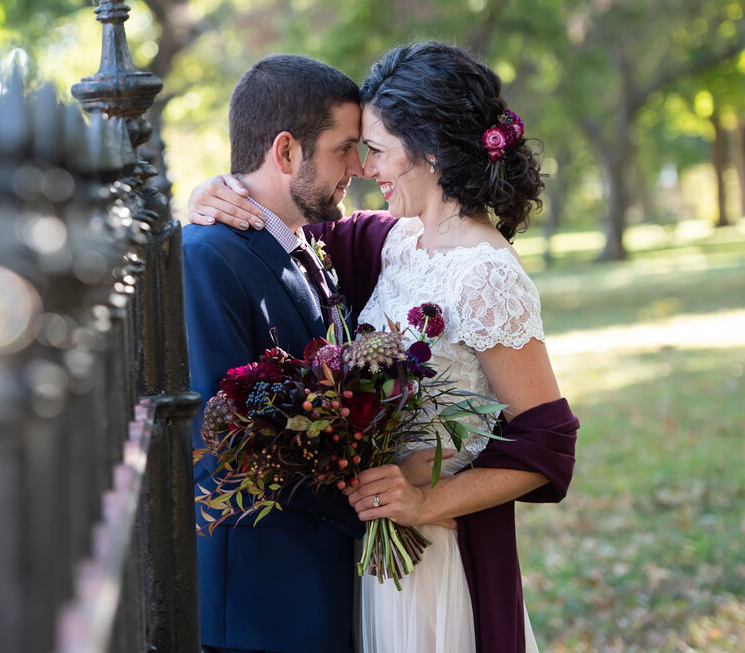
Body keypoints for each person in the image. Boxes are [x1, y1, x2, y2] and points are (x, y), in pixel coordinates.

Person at [188, 41, 579, 653]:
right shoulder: (394, 243)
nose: (367, 169)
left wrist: (428, 501)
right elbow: (277, 218)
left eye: (375, 150)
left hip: (435, 548)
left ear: (428, 152)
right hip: (365, 562)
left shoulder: (486, 273)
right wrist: (213, 191)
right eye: (357, 150)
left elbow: (549, 442)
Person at [185, 53, 406, 653]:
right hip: (260, 603)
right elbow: (218, 439)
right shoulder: (206, 256)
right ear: (285, 152)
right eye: (344, 148)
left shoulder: (305, 242)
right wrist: (357, 490)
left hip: (317, 581)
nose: (358, 168)